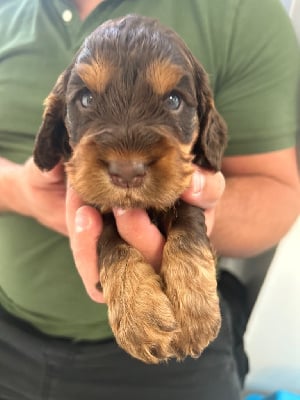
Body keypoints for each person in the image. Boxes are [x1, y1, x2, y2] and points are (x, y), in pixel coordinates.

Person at [0, 0, 299, 399]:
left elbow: (281, 192)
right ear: (56, 119)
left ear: (204, 116)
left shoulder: (242, 10)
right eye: (86, 100)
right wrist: (21, 189)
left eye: (173, 101)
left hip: (176, 351)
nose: (126, 161)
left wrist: (187, 215)